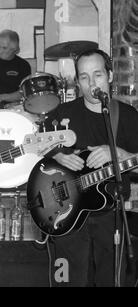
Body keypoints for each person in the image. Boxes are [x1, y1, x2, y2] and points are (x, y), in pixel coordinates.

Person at [43, 49, 138, 286]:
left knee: (111, 279)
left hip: (111, 216)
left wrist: (119, 153)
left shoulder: (126, 116)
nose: (91, 83)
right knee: (68, 281)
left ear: (110, 75)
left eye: (97, 75)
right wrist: (58, 157)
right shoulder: (62, 114)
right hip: (66, 213)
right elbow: (37, 153)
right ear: (77, 82)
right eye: (84, 77)